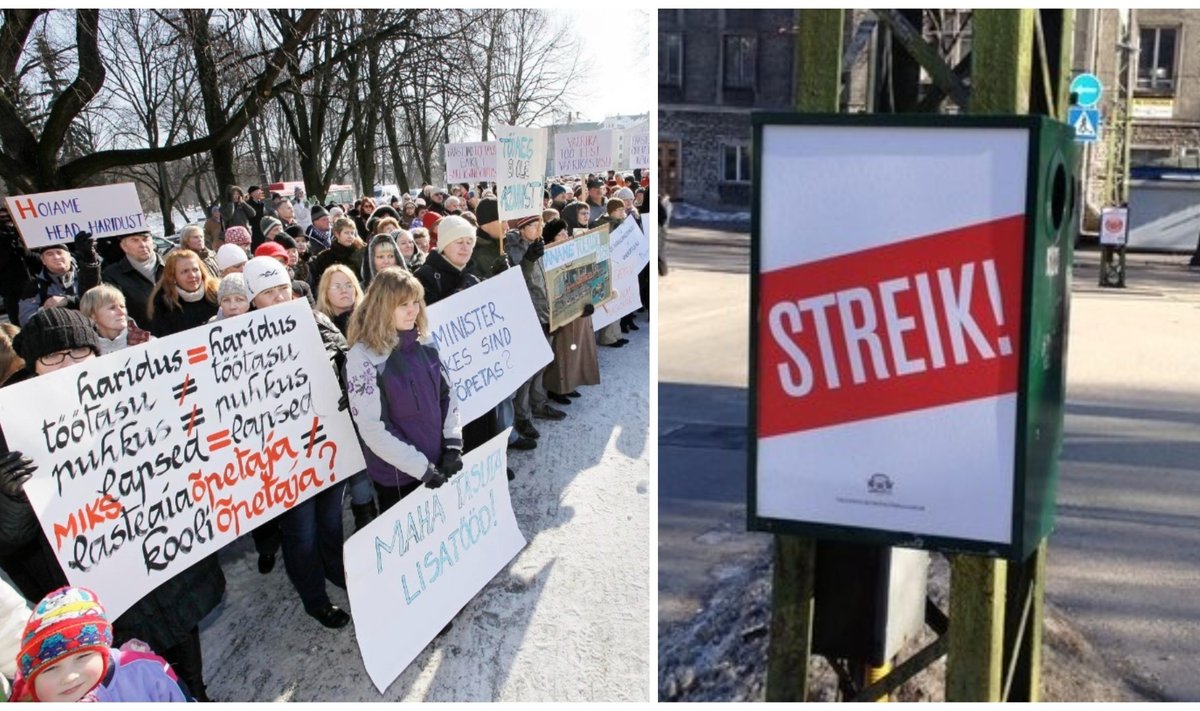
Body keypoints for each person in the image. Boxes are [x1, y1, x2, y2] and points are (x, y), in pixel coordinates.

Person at [242, 257, 354, 629]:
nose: (278, 298)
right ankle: (314, 597)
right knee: (300, 531)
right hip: (282, 457)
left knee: (331, 520)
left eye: (283, 290)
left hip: (325, 442)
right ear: (253, 299)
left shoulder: (315, 320)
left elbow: (344, 358)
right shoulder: (236, 339)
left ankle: (337, 571)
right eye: (268, 293)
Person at [344, 268, 463, 512]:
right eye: (402, 305)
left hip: (438, 460)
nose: (413, 310)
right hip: (398, 476)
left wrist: (453, 444)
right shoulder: (363, 357)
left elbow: (447, 394)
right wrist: (421, 468)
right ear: (383, 307)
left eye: (415, 302)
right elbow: (372, 426)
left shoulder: (425, 341)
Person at [10, 586, 189, 702]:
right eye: (50, 668)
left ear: (102, 651)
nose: (69, 677)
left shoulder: (143, 673)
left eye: (83, 656)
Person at [314, 265, 377, 531]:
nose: (344, 290)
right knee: (357, 463)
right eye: (336, 285)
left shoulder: (371, 318)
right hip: (342, 410)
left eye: (348, 284)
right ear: (325, 292)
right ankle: (364, 510)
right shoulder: (315, 326)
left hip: (375, 402)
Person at [503, 215, 566, 440]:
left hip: (545, 311)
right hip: (527, 315)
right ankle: (522, 415)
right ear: (521, 228)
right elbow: (518, 280)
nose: (538, 228)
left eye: (539, 223)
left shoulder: (538, 244)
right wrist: (529, 259)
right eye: (532, 224)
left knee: (541, 363)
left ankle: (538, 404)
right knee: (527, 370)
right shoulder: (513, 248)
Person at [541, 218, 601, 402]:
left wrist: (590, 300)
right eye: (560, 234)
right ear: (551, 239)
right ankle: (557, 388)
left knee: (577, 349)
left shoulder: (574, 251)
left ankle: (571, 383)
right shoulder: (547, 257)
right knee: (563, 351)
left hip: (579, 308)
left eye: (565, 232)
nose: (565, 236)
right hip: (562, 311)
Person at [17, 232, 100, 327]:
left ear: (69, 256)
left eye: (59, 252)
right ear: (43, 261)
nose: (56, 257)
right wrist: (45, 310)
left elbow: (99, 300)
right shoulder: (35, 286)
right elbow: (26, 321)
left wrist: (67, 301)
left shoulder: (87, 273)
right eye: (49, 254)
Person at [146, 250, 220, 337]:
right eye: (185, 271)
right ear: (173, 277)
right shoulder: (164, 304)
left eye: (195, 270)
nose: (192, 275)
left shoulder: (217, 294)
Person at [100, 230, 163, 328]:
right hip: (145, 339)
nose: (142, 244)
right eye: (135, 240)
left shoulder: (173, 265)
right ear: (124, 247)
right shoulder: (111, 276)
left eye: (145, 239)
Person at [79, 285, 151, 355]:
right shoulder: (82, 355)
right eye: (112, 308)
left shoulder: (150, 343)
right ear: (93, 315)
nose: (121, 312)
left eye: (122, 306)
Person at [311, 216, 365, 287]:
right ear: (337, 234)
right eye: (346, 233)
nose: (350, 236)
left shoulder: (360, 253)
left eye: (352, 233)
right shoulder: (325, 257)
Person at [465, 197, 509, 280]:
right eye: (502, 221)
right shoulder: (470, 253)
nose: (507, 226)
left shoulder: (509, 242)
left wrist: (529, 259)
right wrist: (495, 276)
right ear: (486, 223)